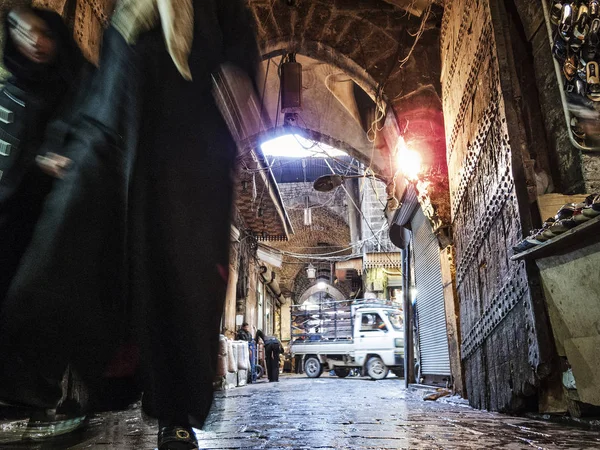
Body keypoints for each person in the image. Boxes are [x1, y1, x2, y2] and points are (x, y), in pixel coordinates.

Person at [0, 0, 260, 449]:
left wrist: (237, 85)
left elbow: (238, 56)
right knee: (66, 256)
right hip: (116, 148)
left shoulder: (216, 9)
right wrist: (76, 147)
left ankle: (175, 415)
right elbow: (104, 89)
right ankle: (34, 394)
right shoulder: (123, 20)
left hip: (183, 160)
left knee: (176, 286)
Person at [0, 6, 84, 306]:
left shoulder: (81, 88)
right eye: (21, 31)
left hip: (57, 218)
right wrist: (38, 160)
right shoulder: (11, 91)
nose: (33, 41)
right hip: (11, 213)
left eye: (43, 33)